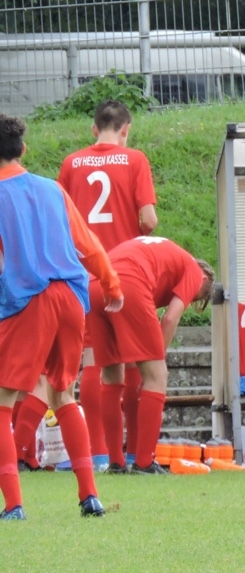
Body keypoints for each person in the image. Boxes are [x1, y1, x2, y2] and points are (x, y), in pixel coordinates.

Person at [0, 114, 123, 520]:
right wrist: (112, 285)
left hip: (27, 298)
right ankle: (90, 496)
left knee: (3, 400)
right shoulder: (51, 189)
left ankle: (14, 505)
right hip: (71, 296)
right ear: (24, 150)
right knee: (62, 393)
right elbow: (87, 244)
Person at [57, 99, 158, 469]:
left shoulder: (72, 163)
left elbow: (60, 216)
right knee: (132, 359)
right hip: (126, 271)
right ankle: (134, 453)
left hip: (84, 274)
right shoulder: (135, 160)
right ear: (127, 130)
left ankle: (98, 452)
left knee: (93, 358)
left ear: (93, 129)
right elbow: (148, 219)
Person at [87, 236, 215, 474]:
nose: (189, 299)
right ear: (204, 279)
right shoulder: (194, 272)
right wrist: (157, 362)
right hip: (129, 283)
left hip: (95, 283)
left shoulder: (165, 255)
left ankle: (116, 462)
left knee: (111, 376)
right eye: (196, 297)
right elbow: (170, 318)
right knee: (157, 376)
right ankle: (144, 462)